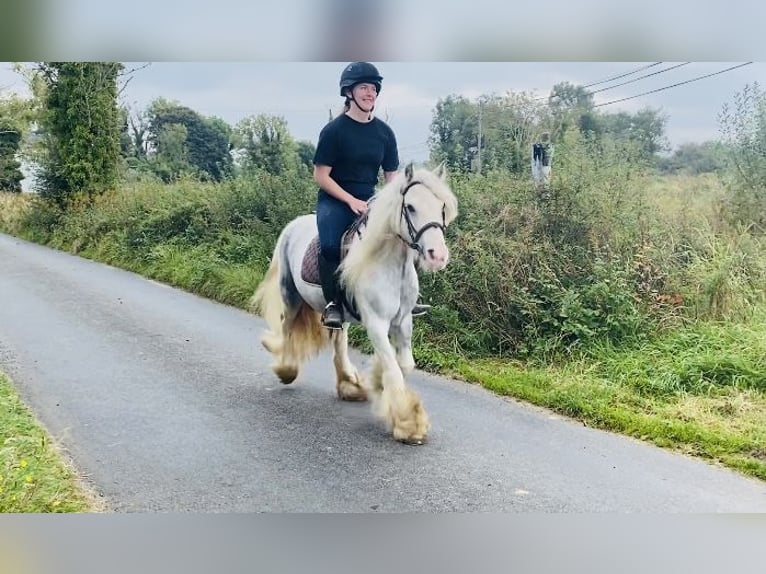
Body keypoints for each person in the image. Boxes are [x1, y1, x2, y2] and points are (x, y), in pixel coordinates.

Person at [313, 61, 430, 329]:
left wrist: (401, 197)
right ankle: (334, 304)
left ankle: (407, 298)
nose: (370, 94)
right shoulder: (333, 131)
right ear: (349, 92)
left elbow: (391, 177)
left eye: (373, 89)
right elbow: (321, 176)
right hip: (336, 199)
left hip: (370, 199)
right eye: (364, 88)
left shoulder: (384, 133)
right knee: (331, 244)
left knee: (404, 236)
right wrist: (350, 200)